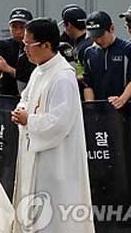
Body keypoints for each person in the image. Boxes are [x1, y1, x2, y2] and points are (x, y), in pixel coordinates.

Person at [10, 18, 93, 233]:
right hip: (34, 153)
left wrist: (29, 120)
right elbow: (25, 98)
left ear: (46, 45)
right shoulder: (39, 70)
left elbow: (60, 122)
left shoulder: (63, 77)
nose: (25, 49)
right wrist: (21, 111)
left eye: (29, 44)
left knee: (55, 217)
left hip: (56, 160)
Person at [82, 11, 131, 109]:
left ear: (112, 28)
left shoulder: (129, 49)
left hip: (126, 109)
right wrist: (90, 107)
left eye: (100, 36)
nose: (98, 40)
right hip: (100, 111)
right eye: (94, 37)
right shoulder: (89, 52)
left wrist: (122, 99)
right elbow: (88, 84)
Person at [0, 8, 36, 101]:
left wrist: (8, 69)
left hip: (30, 95)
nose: (18, 31)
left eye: (22, 27)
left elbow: (31, 76)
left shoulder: (36, 47)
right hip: (6, 95)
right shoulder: (2, 45)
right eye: (14, 27)